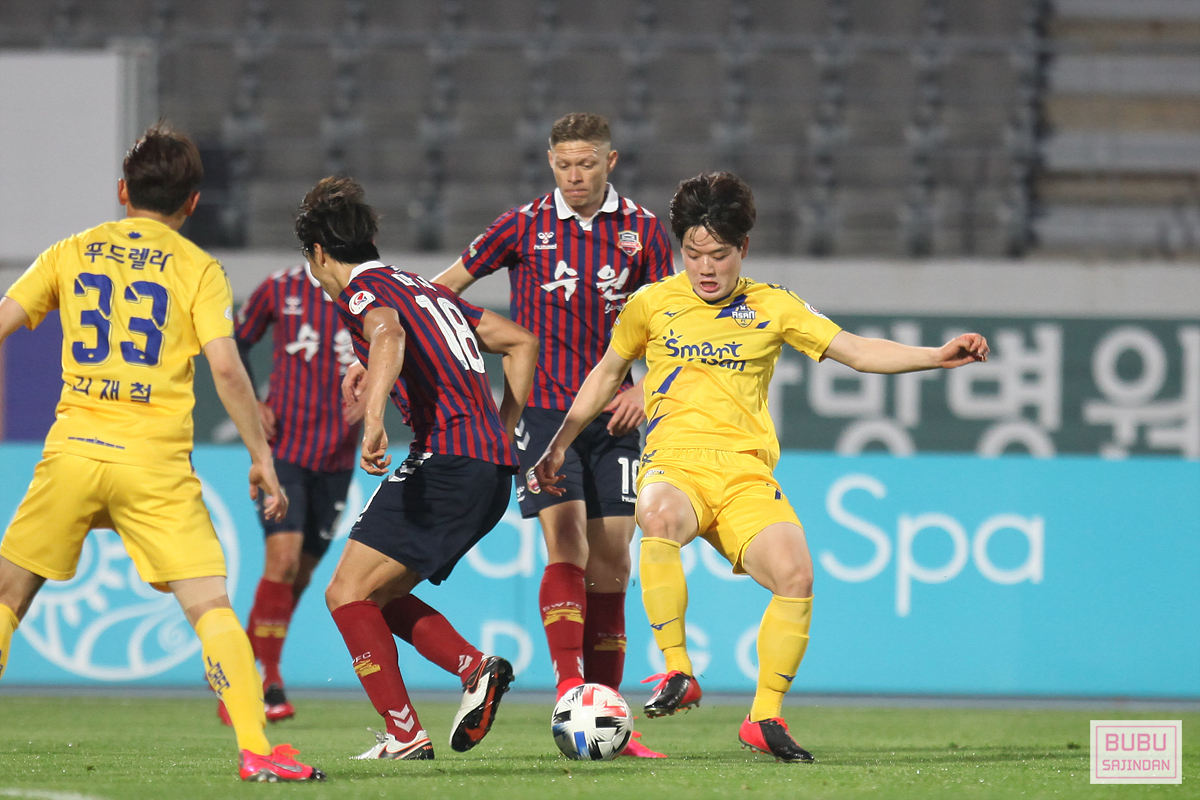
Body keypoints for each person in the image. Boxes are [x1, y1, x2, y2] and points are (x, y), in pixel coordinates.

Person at [533, 172, 990, 763]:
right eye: (693, 253)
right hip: (676, 465)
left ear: (743, 248)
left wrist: (935, 356)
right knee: (658, 516)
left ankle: (764, 717)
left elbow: (855, 350)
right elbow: (605, 375)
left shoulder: (773, 305)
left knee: (796, 576)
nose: (705, 268)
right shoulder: (651, 303)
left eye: (719, 254)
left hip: (746, 476)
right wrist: (561, 441)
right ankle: (678, 670)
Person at [0, 125, 323, 781]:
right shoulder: (197, 268)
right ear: (193, 202)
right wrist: (261, 455)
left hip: (73, 451)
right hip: (154, 464)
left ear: (123, 191)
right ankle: (258, 750)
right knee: (210, 607)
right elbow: (227, 370)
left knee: (8, 596)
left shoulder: (71, 250)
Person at [433, 112, 674, 759]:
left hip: (615, 420)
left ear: (610, 162)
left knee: (613, 564)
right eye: (564, 164)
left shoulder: (644, 231)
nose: (574, 175)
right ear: (550, 162)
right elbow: (443, 289)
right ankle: (572, 692)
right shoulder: (522, 225)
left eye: (586, 164)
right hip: (542, 416)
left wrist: (644, 388)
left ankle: (609, 717)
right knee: (565, 544)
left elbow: (671, 324)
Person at [296, 176, 540, 760]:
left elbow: (387, 333)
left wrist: (373, 418)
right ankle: (473, 668)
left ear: (319, 254)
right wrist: (502, 430)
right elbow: (520, 342)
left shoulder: (362, 293)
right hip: (487, 470)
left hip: (446, 461)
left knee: (345, 594)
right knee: (372, 596)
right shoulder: (422, 287)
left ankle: (405, 732)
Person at [219, 260, 365, 724]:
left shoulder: (370, 290)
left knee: (298, 577)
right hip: (284, 451)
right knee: (281, 562)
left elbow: (398, 349)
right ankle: (268, 681)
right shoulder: (280, 288)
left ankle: (236, 668)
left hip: (338, 458)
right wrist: (252, 402)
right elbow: (233, 342)